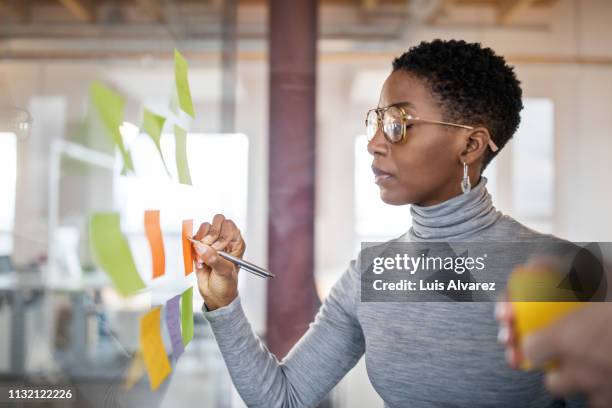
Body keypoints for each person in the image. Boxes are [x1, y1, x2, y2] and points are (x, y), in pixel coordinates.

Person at [191, 39, 582, 407]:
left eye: (398, 123)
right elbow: (283, 398)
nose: (375, 142)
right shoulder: (371, 273)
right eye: (376, 121)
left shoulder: (566, 272)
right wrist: (223, 301)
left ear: (470, 145)